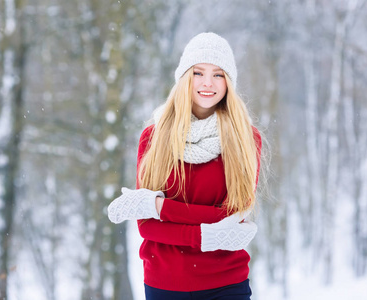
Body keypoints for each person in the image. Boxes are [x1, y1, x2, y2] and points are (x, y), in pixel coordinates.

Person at [108, 32, 262, 300]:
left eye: (218, 74)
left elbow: (232, 217)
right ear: (184, 78)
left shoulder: (246, 140)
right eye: (198, 72)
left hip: (227, 283)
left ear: (229, 82)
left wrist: (159, 207)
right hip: (164, 284)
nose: (207, 83)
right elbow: (147, 227)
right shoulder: (153, 138)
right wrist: (208, 236)